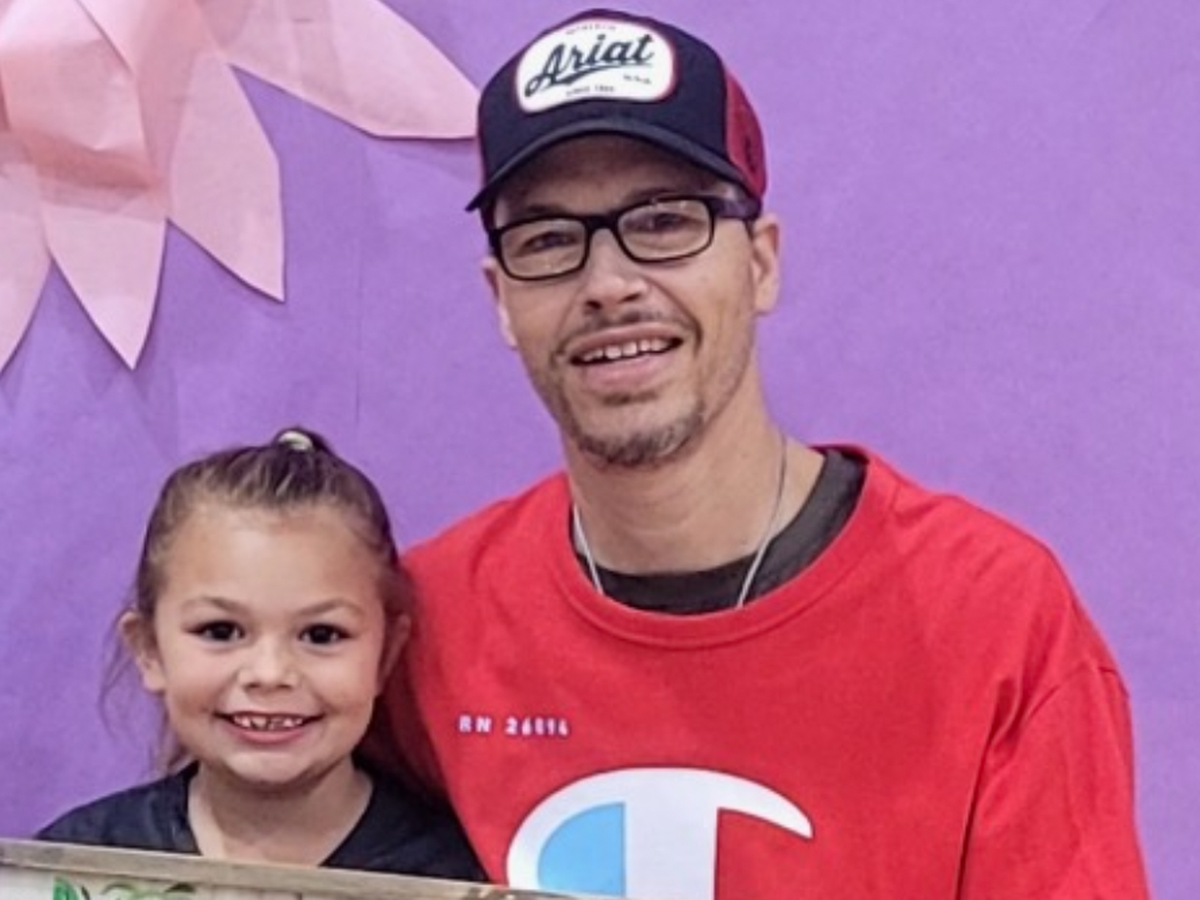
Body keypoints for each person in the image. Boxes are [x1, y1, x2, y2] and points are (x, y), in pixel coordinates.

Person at [368, 8, 1151, 900]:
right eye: (547, 240)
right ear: (501, 300)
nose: (609, 284)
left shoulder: (994, 620)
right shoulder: (420, 630)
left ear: (762, 262)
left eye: (665, 221)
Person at [38, 428, 482, 880]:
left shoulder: (457, 878)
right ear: (149, 649)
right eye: (221, 631)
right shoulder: (71, 869)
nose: (270, 673)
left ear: (385, 654)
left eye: (322, 635)